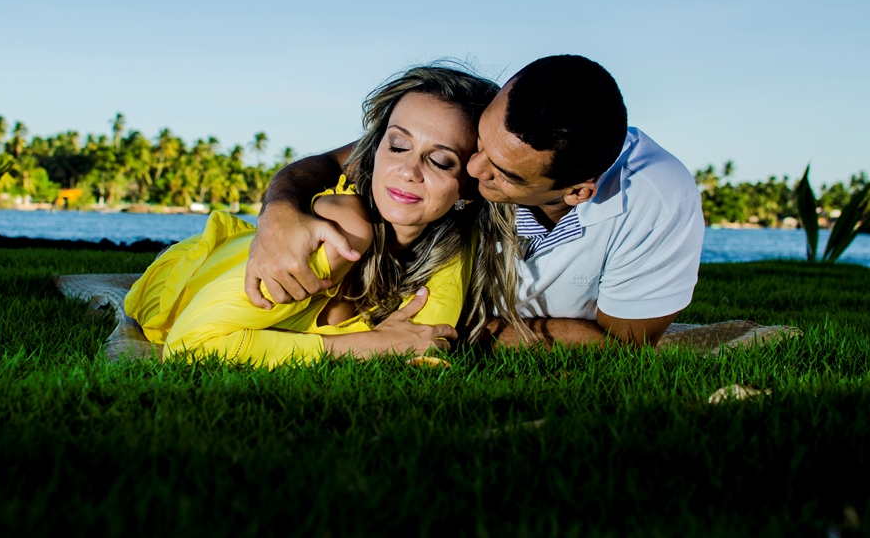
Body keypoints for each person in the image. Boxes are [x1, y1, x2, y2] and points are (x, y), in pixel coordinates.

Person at [245, 55, 704, 348]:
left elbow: (620, 344)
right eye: (479, 142)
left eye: (501, 173)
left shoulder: (656, 201)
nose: (472, 168)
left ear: (577, 192)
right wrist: (280, 209)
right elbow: (339, 160)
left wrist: (451, 328)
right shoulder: (487, 134)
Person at [123, 66, 524, 367]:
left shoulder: (452, 240)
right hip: (184, 281)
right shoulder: (342, 231)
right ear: (374, 150)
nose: (408, 171)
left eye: (439, 161)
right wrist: (366, 347)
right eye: (398, 146)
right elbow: (189, 346)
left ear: (468, 190)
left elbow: (426, 348)